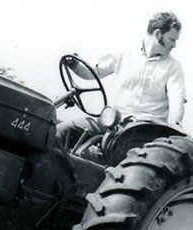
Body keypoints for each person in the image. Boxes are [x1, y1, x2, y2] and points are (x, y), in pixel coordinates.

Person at [57, 11, 186, 150]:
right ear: (157, 34)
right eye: (172, 40)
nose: (174, 45)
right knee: (59, 133)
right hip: (112, 122)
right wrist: (75, 66)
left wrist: (175, 124)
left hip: (145, 131)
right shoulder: (125, 53)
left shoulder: (173, 67)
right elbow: (94, 71)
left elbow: (176, 100)